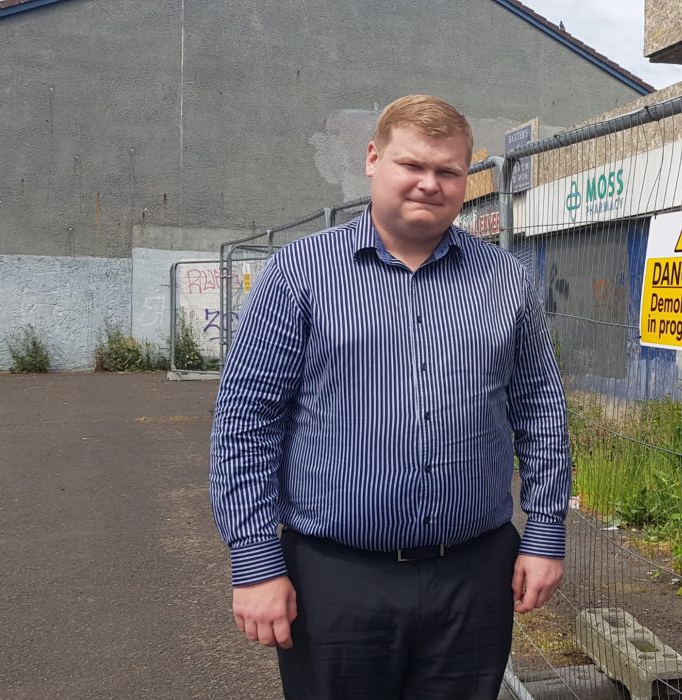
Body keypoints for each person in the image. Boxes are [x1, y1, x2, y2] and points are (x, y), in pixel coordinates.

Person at [209, 94, 571, 699]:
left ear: (465, 177)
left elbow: (540, 411)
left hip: (473, 577)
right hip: (337, 581)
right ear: (374, 159)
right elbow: (247, 422)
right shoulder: (298, 273)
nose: (430, 184)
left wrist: (545, 533)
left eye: (449, 171)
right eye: (412, 165)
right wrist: (254, 562)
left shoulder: (507, 280)